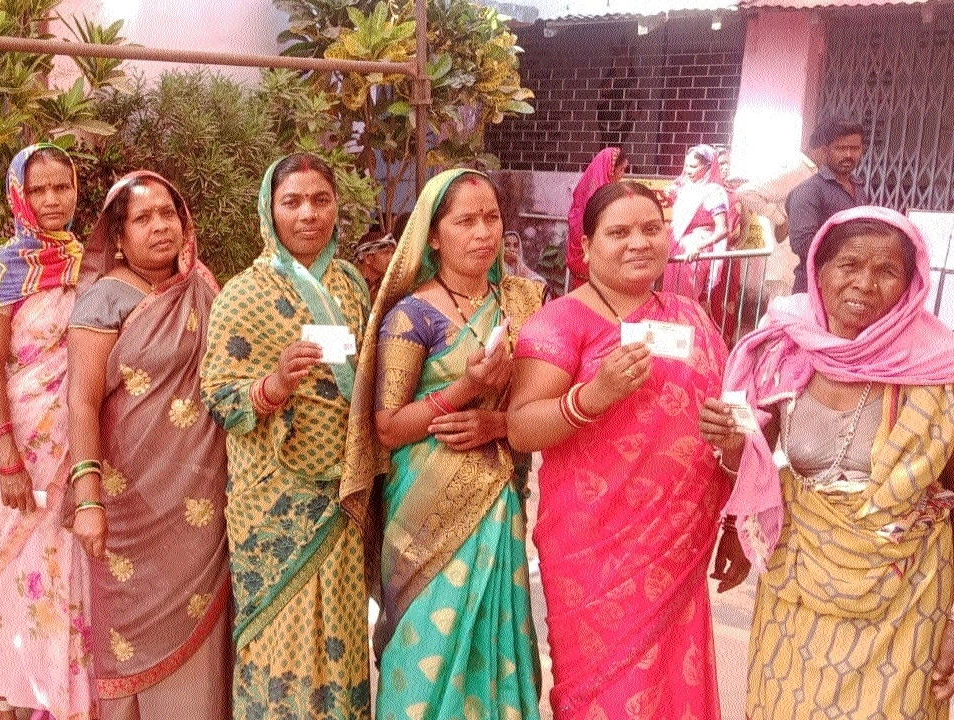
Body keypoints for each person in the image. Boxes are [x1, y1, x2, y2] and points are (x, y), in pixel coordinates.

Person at [701, 207, 954, 717]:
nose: (865, 283)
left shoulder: (938, 370)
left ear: (910, 284)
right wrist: (728, 441)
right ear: (818, 271)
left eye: (887, 271)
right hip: (796, 587)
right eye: (849, 265)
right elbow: (750, 464)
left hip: (906, 595)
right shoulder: (786, 348)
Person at [505, 181, 731, 719]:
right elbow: (520, 427)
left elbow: (731, 414)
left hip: (678, 548)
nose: (638, 243)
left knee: (674, 690)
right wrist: (594, 395)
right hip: (595, 551)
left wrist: (736, 452)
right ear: (585, 246)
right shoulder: (562, 322)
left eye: (650, 229)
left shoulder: (692, 317)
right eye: (619, 232)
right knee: (602, 696)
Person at [343, 169, 543, 720]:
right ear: (433, 236)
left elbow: (538, 401)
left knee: (491, 639)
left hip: (497, 500)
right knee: (428, 642)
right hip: (424, 510)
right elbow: (386, 427)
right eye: (465, 221)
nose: (483, 233)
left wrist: (498, 425)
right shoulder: (412, 315)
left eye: (491, 219)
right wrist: (468, 388)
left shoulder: (524, 301)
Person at [199, 153, 372, 720]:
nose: (307, 215)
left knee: (342, 629)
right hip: (274, 502)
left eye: (320, 200)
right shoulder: (242, 295)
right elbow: (219, 394)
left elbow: (371, 377)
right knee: (277, 631)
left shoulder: (350, 287)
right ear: (269, 211)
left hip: (342, 496)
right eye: (291, 202)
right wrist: (272, 385)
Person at [66, 171, 232, 719]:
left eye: (169, 214)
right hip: (129, 508)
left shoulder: (204, 290)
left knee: (204, 647)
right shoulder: (103, 300)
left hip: (202, 505)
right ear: (118, 236)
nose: (160, 226)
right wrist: (88, 498)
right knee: (128, 641)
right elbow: (82, 402)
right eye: (143, 218)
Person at [0, 143, 94, 720]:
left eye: (61, 187)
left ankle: (68, 696)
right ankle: (19, 695)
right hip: (24, 438)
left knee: (74, 565)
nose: (51, 200)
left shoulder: (93, 258)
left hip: (85, 438)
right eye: (38, 189)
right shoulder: (3, 266)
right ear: (20, 193)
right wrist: (8, 458)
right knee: (20, 566)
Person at [786, 118, 865, 292]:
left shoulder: (857, 187)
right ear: (825, 150)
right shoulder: (809, 191)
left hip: (848, 286)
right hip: (813, 288)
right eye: (841, 148)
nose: (849, 155)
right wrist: (851, 251)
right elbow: (801, 243)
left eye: (854, 148)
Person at [662, 144, 734, 301]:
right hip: (676, 247)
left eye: (694, 167)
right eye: (687, 165)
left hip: (694, 252)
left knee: (685, 301)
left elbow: (723, 230)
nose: (688, 170)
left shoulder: (713, 191)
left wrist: (699, 247)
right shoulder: (686, 188)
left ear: (708, 167)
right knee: (668, 299)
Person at [565, 147, 626, 283]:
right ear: (611, 169)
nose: (622, 175)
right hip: (590, 255)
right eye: (621, 169)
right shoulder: (599, 193)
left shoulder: (599, 189)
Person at [349, 218, 401, 290]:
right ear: (368, 258)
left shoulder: (385, 287)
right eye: (385, 253)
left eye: (392, 253)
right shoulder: (351, 284)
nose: (391, 258)